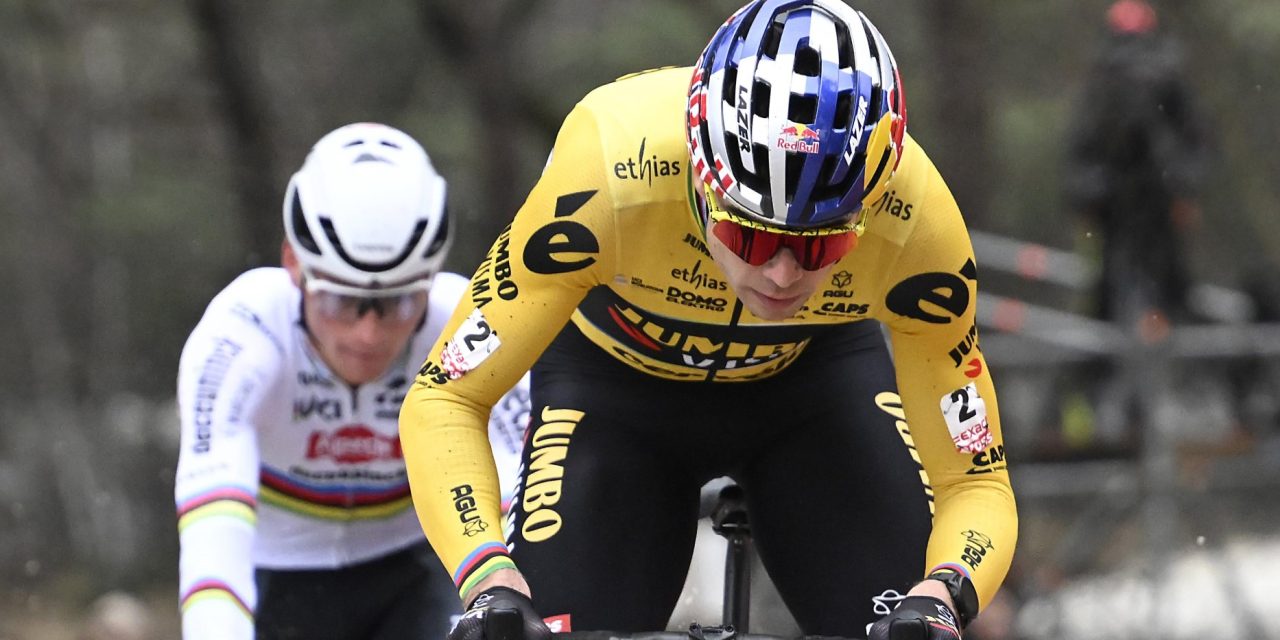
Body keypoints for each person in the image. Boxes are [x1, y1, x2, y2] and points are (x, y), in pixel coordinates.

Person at [400, 2, 1016, 639]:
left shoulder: (918, 223)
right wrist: (485, 574)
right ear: (701, 176)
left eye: (819, 246)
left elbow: (973, 477)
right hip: (614, 395)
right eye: (749, 237)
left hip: (812, 389)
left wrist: (946, 589)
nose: (781, 275)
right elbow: (447, 396)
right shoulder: (609, 167)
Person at [174, 123, 529, 640]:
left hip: (415, 569)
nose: (368, 333)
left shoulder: (461, 321)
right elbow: (212, 524)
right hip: (276, 574)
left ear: (433, 277)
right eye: (341, 301)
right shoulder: (242, 330)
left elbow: (521, 490)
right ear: (294, 264)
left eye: (400, 302)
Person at [1065, 0, 1207, 326]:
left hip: (1151, 197)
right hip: (1120, 201)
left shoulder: (1163, 78)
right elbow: (1084, 145)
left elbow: (1193, 140)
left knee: (1161, 284)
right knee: (1122, 286)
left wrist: (1182, 189)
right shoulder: (1105, 83)